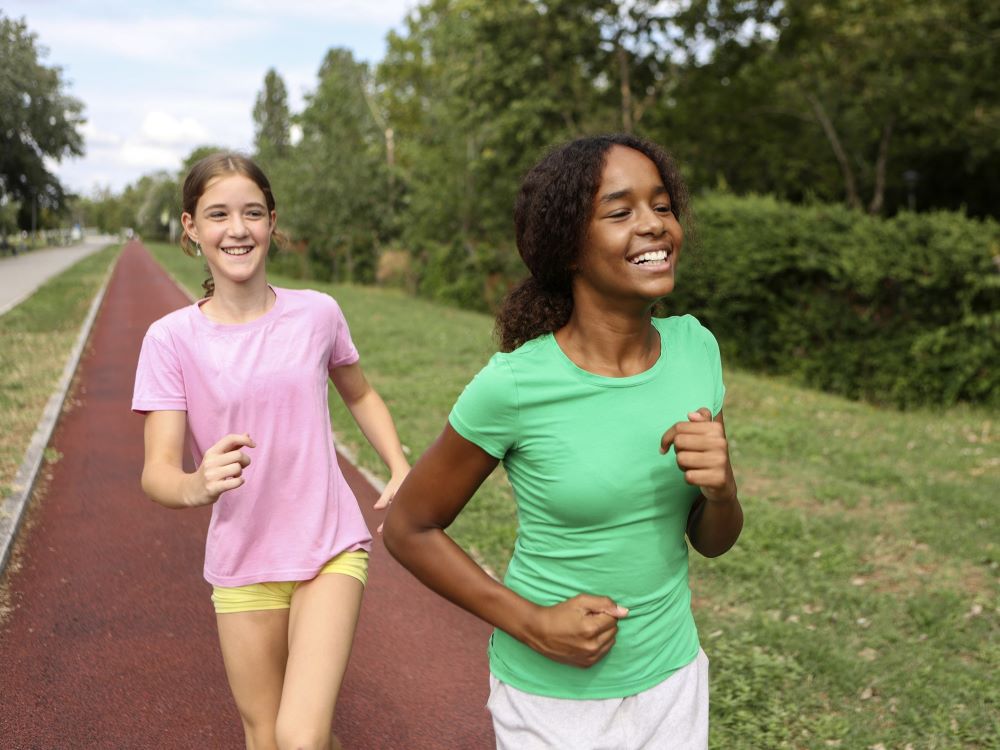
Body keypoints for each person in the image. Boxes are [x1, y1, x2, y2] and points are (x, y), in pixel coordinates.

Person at [383, 134, 742, 749]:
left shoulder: (695, 350)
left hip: (674, 681)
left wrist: (722, 490)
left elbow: (711, 541)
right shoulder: (516, 384)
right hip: (553, 701)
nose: (654, 226)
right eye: (621, 211)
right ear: (569, 245)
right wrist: (534, 625)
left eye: (662, 205)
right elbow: (408, 528)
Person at [132, 153, 409, 750]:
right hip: (242, 560)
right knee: (267, 737)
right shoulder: (170, 340)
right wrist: (197, 484)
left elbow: (360, 394)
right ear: (190, 227)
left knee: (300, 736)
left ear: (271, 222)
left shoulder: (317, 314)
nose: (238, 229)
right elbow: (157, 473)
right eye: (219, 215)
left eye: (252, 213)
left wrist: (399, 462)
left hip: (328, 545)